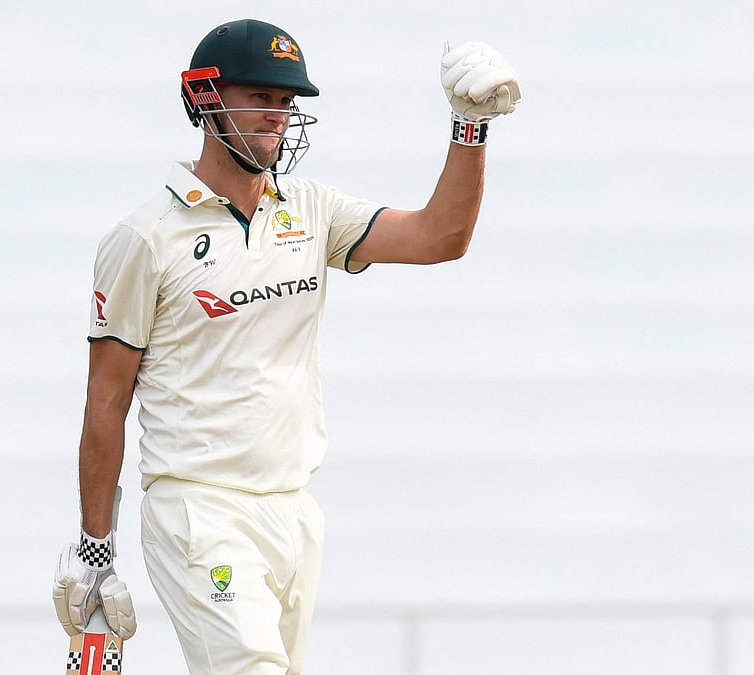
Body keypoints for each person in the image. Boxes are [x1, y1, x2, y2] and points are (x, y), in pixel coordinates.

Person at [53, 17, 521, 675]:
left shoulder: (313, 211)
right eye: (261, 99)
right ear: (205, 98)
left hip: (292, 512)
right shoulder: (145, 239)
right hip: (197, 506)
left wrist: (469, 128)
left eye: (286, 103)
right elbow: (105, 402)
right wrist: (94, 548)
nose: (278, 116)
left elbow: (439, 237)